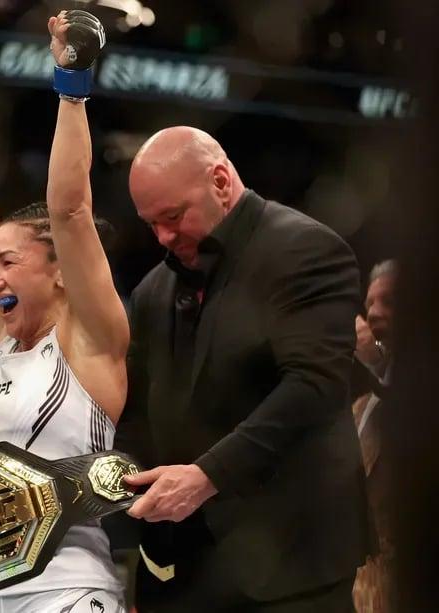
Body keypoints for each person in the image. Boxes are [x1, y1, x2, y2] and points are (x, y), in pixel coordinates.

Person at [116, 123, 369, 611]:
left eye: (173, 216)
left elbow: (314, 387)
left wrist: (207, 474)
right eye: (152, 224)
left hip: (293, 562)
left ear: (220, 182)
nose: (164, 237)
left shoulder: (305, 250)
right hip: (184, 571)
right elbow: (138, 414)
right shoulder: (153, 291)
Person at [0, 10, 130, 612]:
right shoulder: (6, 342)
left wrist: (71, 86)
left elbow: (68, 209)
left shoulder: (89, 338)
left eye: (9, 263)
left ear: (59, 273)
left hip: (69, 588)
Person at [352, 259, 396, 613]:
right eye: (369, 304)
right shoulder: (363, 403)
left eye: (389, 302)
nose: (375, 312)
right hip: (369, 576)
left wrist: (372, 360)